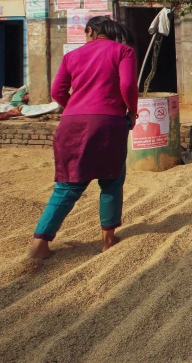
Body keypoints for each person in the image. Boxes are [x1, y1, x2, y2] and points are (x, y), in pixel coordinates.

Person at [28, 16, 138, 259]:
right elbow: (128, 85)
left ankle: (40, 243)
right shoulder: (124, 51)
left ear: (89, 31)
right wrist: (131, 111)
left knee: (67, 185)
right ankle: (108, 240)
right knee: (111, 180)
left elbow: (57, 91)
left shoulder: (71, 56)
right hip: (109, 123)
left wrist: (75, 108)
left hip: (72, 124)